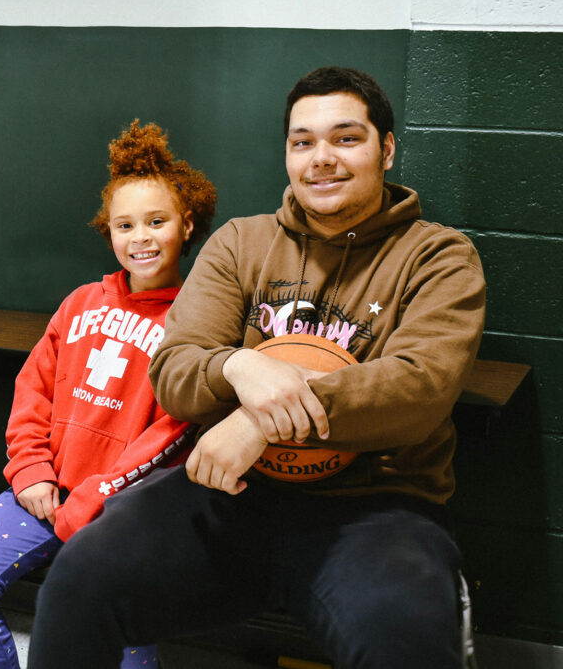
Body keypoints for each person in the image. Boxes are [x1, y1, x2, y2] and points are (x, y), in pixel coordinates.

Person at [27, 67, 487, 669]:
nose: (321, 158)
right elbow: (176, 368)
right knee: (77, 580)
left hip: (377, 507)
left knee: (408, 641)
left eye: (346, 138)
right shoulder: (240, 243)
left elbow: (419, 389)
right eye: (303, 142)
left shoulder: (439, 256)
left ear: (388, 149)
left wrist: (258, 423)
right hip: (228, 492)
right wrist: (241, 365)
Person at [0, 120, 217, 669]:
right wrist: (32, 470)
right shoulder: (81, 302)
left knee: (126, 624)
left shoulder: (197, 320)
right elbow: (31, 391)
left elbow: (172, 431)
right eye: (125, 225)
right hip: (48, 491)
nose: (141, 237)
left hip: (130, 509)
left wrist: (96, 497)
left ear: (186, 226)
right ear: (108, 231)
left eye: (156, 222)